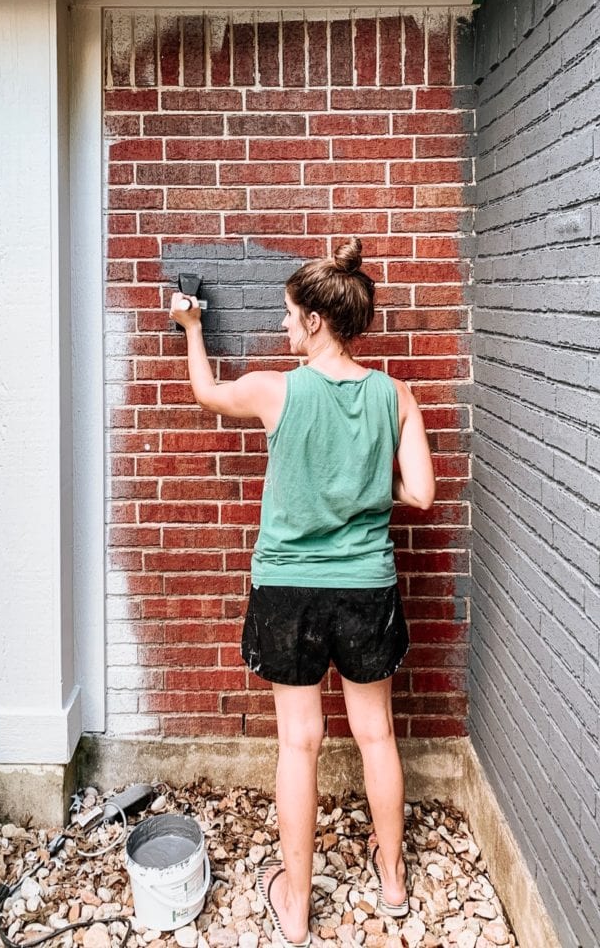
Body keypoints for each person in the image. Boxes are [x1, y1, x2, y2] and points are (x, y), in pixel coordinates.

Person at [169, 237, 435, 948]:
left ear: (316, 321)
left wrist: (192, 329)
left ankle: (292, 903)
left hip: (288, 587)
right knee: (376, 735)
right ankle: (394, 881)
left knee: (301, 743)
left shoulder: (273, 389)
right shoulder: (396, 395)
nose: (285, 328)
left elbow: (205, 392)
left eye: (290, 316)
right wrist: (361, 479)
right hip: (365, 587)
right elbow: (424, 494)